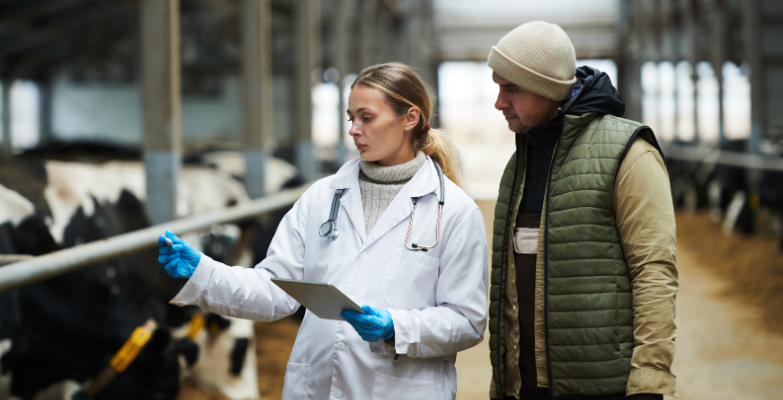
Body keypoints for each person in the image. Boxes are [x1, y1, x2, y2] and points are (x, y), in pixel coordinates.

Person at [158, 62, 488, 399]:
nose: (353, 130)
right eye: (350, 118)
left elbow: (467, 321)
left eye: (367, 117)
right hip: (316, 386)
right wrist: (204, 272)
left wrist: (396, 327)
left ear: (410, 118)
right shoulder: (322, 196)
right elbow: (275, 290)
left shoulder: (455, 213)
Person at [486, 22, 678, 400]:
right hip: (526, 388)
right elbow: (511, 288)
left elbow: (653, 271)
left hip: (601, 386)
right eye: (497, 87)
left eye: (511, 89)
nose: (498, 102)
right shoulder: (519, 164)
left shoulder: (629, 152)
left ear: (545, 88)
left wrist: (650, 382)